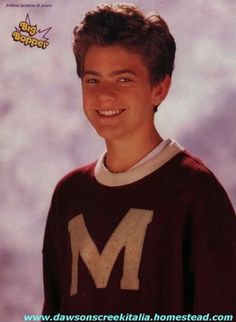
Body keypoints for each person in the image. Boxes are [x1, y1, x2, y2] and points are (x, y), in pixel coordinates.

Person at [42, 3, 236, 315]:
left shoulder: (196, 192)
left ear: (159, 89)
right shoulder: (69, 195)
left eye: (123, 80)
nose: (105, 95)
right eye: (93, 80)